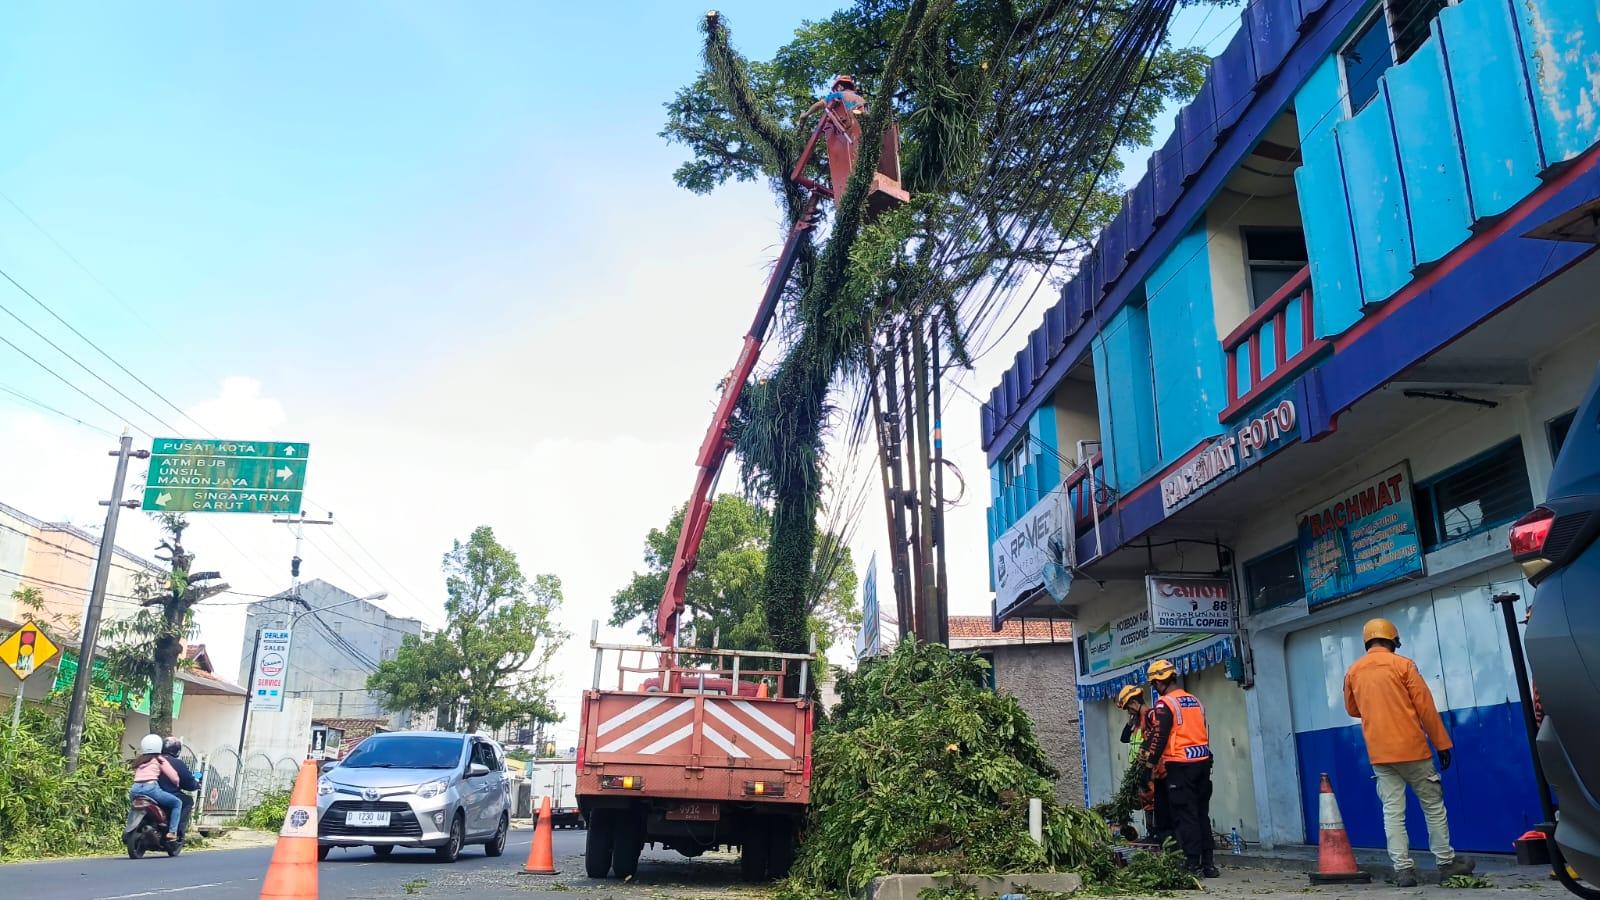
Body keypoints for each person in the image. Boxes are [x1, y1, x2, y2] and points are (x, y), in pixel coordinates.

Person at [1343, 618, 1476, 887]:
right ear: (1392, 640)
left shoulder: (1353, 671)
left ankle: (1403, 870)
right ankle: (1446, 862)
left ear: (1367, 641)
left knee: (1393, 811)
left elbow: (1352, 709)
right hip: (1413, 750)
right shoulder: (1403, 665)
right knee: (1433, 806)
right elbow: (1425, 707)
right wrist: (1442, 744)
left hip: (1380, 754)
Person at [1139, 659, 1218, 877]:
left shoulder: (1166, 704)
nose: (1154, 688)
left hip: (1180, 766)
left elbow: (1159, 737)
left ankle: (1192, 864)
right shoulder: (1194, 700)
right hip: (1202, 763)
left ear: (1161, 681)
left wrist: (1149, 766)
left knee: (1186, 815)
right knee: (1202, 814)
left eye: (1154, 683)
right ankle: (1209, 864)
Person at [1116, 684, 1171, 845]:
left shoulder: (1151, 716)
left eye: (1128, 708)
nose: (1129, 712)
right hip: (1140, 767)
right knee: (1146, 800)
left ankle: (1159, 834)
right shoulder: (1136, 722)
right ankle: (1153, 832)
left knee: (1153, 799)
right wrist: (1130, 721)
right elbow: (1124, 738)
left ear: (1134, 702)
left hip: (1152, 767)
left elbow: (1157, 739)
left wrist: (1149, 763)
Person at [130, 733, 183, 843]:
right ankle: (172, 832)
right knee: (177, 803)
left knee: (134, 807)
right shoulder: (159, 759)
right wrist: (177, 783)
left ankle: (130, 827)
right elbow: (174, 777)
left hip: (134, 789)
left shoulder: (139, 760)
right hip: (151, 789)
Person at [159, 737, 201, 840]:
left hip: (149, 793)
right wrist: (196, 784)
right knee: (187, 801)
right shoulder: (177, 763)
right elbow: (188, 782)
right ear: (177, 750)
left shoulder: (152, 760)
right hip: (168, 794)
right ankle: (176, 830)